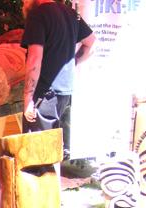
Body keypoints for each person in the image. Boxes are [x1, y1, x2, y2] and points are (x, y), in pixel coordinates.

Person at [21, 0, 95, 165]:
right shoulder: (71, 14)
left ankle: (40, 182)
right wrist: (74, 62)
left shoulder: (38, 15)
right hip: (64, 93)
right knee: (52, 151)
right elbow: (91, 42)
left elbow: (34, 58)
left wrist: (28, 98)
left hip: (45, 94)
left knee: (37, 156)